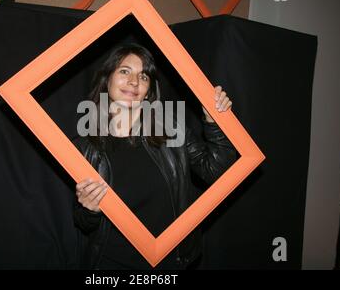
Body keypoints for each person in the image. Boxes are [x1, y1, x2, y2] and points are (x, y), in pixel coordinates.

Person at [72, 43, 235, 270]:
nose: (134, 82)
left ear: (149, 91)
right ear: (106, 79)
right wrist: (89, 210)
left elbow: (217, 172)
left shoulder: (171, 132)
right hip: (110, 266)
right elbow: (82, 221)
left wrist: (215, 123)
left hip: (168, 266)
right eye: (124, 71)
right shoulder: (85, 147)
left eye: (144, 76)